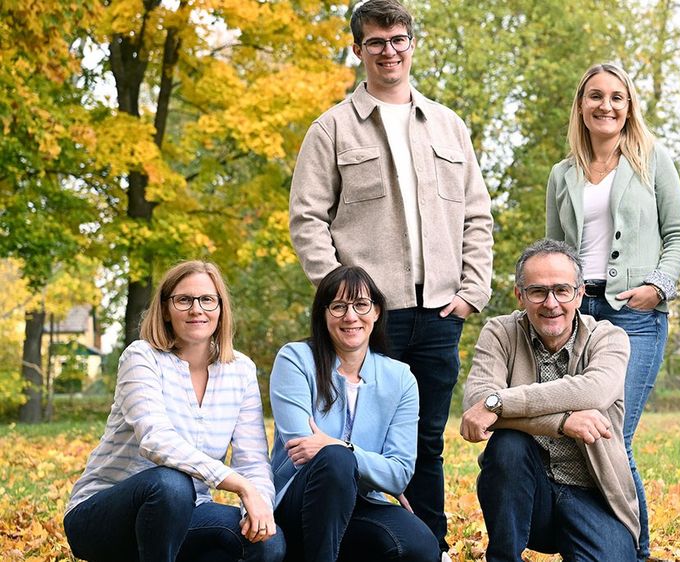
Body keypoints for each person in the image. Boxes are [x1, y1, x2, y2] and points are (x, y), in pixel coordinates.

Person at [288, 0, 493, 554]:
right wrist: (343, 296)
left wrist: (472, 291)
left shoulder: (448, 126)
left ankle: (430, 546)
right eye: (376, 42)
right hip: (370, 320)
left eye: (398, 39)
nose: (389, 51)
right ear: (358, 49)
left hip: (441, 313)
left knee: (425, 443)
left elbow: (477, 215)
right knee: (357, 435)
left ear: (412, 44)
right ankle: (350, 540)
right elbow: (307, 219)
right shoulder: (331, 128)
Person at [545, 62, 680, 560]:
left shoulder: (653, 160)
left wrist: (657, 286)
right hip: (575, 315)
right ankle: (594, 542)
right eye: (595, 96)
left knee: (613, 436)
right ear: (581, 105)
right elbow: (553, 249)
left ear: (629, 107)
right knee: (580, 435)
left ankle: (638, 550)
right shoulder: (562, 174)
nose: (605, 105)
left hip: (634, 313)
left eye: (616, 97)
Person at [64, 260, 284, 561]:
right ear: (166, 309)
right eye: (184, 300)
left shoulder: (241, 370)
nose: (197, 309)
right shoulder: (141, 357)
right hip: (103, 518)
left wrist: (257, 506)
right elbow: (156, 440)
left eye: (207, 299)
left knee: (268, 543)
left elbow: (253, 461)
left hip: (188, 514)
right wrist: (240, 485)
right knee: (171, 484)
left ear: (221, 308)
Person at [459, 239, 639, 561]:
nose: (551, 303)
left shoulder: (609, 338)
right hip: (527, 493)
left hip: (591, 493)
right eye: (538, 291)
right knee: (508, 446)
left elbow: (594, 391)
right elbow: (476, 402)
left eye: (562, 290)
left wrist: (498, 403)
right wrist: (562, 422)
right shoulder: (499, 333)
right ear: (520, 295)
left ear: (580, 294)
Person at [269, 265, 436, 561]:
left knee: (419, 545)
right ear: (323, 314)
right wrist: (370, 467)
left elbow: (399, 474)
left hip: (363, 503)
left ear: (377, 312)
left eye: (361, 304)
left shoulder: (400, 378)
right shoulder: (295, 359)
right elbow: (304, 453)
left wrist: (341, 447)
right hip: (298, 503)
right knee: (335, 461)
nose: (350, 316)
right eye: (338, 306)